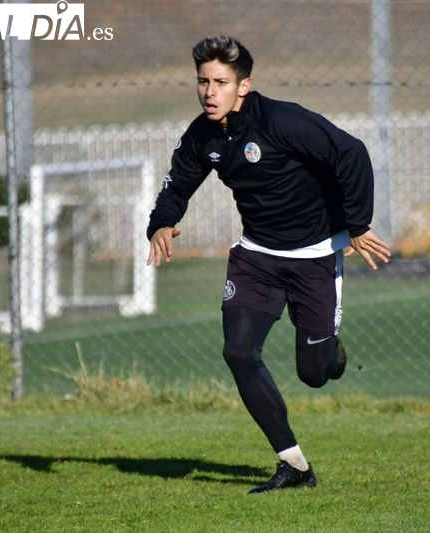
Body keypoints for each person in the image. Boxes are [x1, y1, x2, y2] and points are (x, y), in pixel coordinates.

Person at [146, 35, 391, 493]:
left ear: (244, 86)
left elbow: (351, 152)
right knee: (238, 352)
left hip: (314, 255)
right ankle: (294, 465)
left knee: (313, 373)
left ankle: (330, 352)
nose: (209, 92)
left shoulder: (281, 121)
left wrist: (357, 225)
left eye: (220, 82)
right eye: (203, 81)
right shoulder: (202, 134)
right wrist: (161, 223)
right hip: (256, 256)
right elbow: (177, 182)